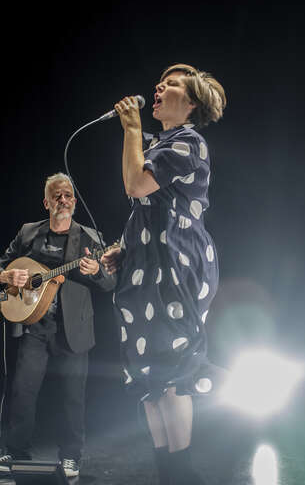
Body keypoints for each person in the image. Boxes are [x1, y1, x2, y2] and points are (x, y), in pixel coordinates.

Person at [101, 63, 226, 485]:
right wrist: (123, 247)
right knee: (149, 377)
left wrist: (131, 128)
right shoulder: (161, 142)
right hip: (145, 264)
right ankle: (166, 473)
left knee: (173, 371)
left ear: (190, 103)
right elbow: (144, 206)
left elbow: (136, 185)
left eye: (171, 84)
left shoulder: (188, 141)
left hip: (176, 261)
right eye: (160, 80)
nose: (158, 86)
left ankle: (183, 473)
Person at [0, 173, 115, 478]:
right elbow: (3, 265)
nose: (62, 200)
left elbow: (110, 281)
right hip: (35, 327)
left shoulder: (90, 238)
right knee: (22, 392)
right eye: (56, 196)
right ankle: (15, 451)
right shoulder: (28, 233)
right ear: (46, 202)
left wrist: (95, 273)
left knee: (72, 397)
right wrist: (9, 277)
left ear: (74, 201)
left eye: (67, 195)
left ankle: (71, 456)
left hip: (73, 329)